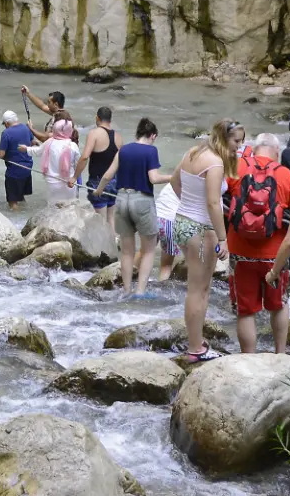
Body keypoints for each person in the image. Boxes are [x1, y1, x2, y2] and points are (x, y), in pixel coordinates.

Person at [220, 134, 290, 355]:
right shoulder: (288, 176)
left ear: (254, 148)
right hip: (275, 255)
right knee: (278, 305)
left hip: (240, 252)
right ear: (277, 153)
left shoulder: (235, 168)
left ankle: (249, 357)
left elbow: (217, 199)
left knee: (245, 310)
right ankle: (279, 354)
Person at [169, 122, 233, 363]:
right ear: (225, 140)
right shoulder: (215, 163)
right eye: (236, 141)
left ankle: (196, 340)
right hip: (201, 229)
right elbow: (214, 203)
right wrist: (223, 238)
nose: (239, 147)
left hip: (182, 223)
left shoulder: (192, 153)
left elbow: (175, 182)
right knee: (200, 290)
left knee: (194, 288)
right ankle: (196, 347)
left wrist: (187, 207)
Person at [103, 119, 172, 297]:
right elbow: (154, 178)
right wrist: (173, 177)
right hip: (142, 201)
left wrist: (97, 191)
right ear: (153, 135)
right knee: (148, 250)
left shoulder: (123, 150)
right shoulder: (151, 150)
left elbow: (108, 175)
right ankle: (140, 292)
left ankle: (126, 291)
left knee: (126, 251)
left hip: (121, 199)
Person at [76, 107, 122, 231]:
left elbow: (85, 157)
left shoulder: (94, 134)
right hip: (114, 181)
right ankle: (113, 244)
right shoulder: (118, 136)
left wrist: (74, 177)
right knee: (110, 217)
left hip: (98, 182)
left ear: (97, 118)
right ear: (110, 119)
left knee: (99, 220)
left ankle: (104, 249)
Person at [0, 109, 35, 211]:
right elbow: (33, 143)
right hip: (27, 168)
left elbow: (1, 154)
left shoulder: (6, 133)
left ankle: (17, 224)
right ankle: (26, 215)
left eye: (4, 124)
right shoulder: (26, 128)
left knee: (13, 202)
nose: (5, 126)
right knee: (21, 197)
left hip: (14, 171)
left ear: (7, 123)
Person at [36, 121, 78, 202]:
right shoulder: (73, 144)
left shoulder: (51, 142)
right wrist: (75, 177)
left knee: (55, 206)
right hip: (71, 179)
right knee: (70, 204)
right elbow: (79, 162)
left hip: (55, 181)